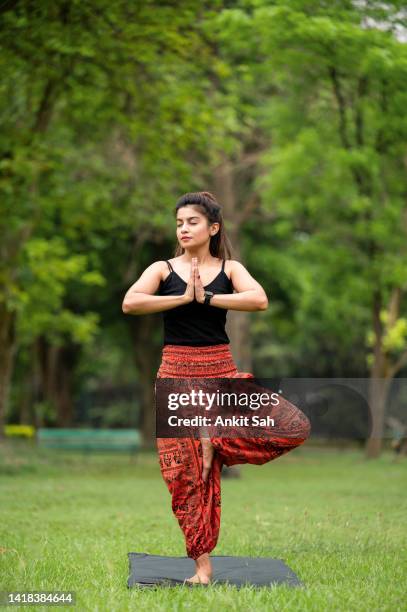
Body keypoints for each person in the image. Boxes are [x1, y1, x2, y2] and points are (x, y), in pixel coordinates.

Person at [122, 191, 311, 586]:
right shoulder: (163, 268)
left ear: (213, 228)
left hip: (220, 373)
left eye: (192, 222)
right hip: (176, 375)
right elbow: (131, 303)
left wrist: (207, 297)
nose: (184, 229)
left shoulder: (230, 268)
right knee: (188, 479)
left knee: (292, 425)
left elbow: (258, 300)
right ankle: (202, 569)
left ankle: (219, 439)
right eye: (179, 223)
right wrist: (180, 299)